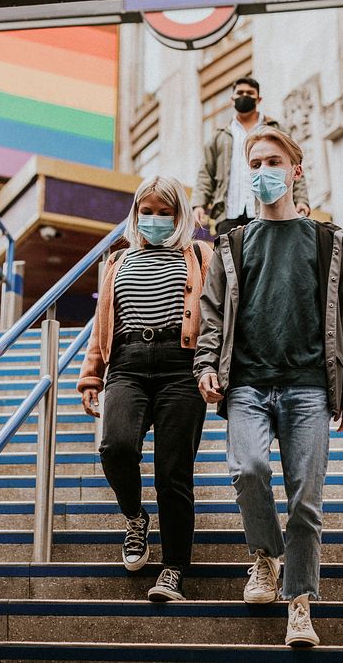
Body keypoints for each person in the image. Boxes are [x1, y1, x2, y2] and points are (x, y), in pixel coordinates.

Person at [193, 127, 343, 646]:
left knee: (306, 500)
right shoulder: (233, 242)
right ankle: (264, 556)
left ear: (295, 169)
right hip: (246, 383)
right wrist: (206, 363)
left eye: (274, 161)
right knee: (248, 469)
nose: (263, 171)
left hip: (309, 385)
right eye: (255, 162)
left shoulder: (330, 242)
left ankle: (300, 602)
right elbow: (212, 312)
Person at [78, 175, 213, 602]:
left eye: (164, 212)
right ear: (136, 214)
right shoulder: (118, 261)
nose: (154, 219)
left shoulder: (199, 255)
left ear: (181, 216)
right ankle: (136, 518)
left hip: (181, 366)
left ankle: (173, 568)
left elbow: (216, 317)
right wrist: (90, 376)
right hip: (128, 365)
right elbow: (104, 324)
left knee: (173, 473)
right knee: (115, 448)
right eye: (147, 212)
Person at [191, 77, 311, 237]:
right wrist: (198, 204)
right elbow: (205, 174)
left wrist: (301, 200)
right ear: (232, 98)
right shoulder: (219, 136)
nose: (244, 95)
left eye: (250, 93)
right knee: (230, 260)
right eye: (240, 92)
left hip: (267, 211)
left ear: (259, 99)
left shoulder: (275, 129)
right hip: (228, 215)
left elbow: (294, 165)